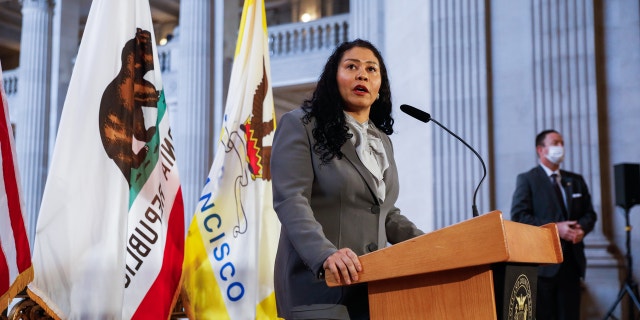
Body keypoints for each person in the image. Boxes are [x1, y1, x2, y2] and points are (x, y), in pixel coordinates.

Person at [270, 39, 424, 320]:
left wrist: (431, 245)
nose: (362, 74)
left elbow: (386, 214)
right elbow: (291, 199)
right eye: (351, 67)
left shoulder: (381, 141)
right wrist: (325, 254)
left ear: (379, 88)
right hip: (321, 287)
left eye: (371, 69)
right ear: (333, 78)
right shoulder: (301, 125)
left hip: (373, 289)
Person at [510, 129, 597, 320]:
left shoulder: (575, 180)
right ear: (541, 149)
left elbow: (590, 214)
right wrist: (556, 228)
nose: (560, 147)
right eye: (555, 143)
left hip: (572, 264)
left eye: (562, 143)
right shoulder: (528, 179)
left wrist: (581, 229)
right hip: (543, 266)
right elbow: (519, 217)